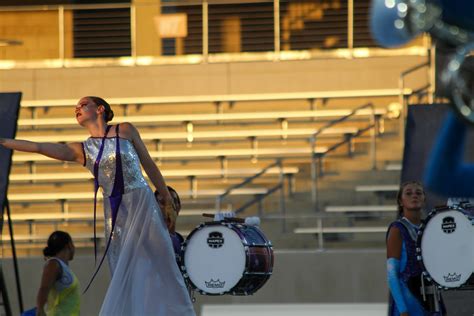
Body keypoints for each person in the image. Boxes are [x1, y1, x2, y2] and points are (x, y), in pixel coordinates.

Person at [0, 96, 195, 315]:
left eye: (83, 105)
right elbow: (39, 147)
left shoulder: (126, 130)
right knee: (125, 269)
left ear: (100, 109)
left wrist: (167, 199)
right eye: (75, 107)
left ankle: (179, 311)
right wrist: (5, 142)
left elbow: (148, 163)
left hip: (141, 201)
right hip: (116, 212)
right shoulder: (82, 149)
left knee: (162, 259)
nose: (77, 109)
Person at [386, 181, 445, 316]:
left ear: (424, 199)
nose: (414, 196)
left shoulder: (429, 227)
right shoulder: (397, 229)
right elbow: (392, 275)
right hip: (409, 302)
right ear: (401, 202)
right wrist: (403, 310)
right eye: (408, 193)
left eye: (419, 193)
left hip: (432, 299)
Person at [36, 231, 80, 316]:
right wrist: (40, 309)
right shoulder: (53, 264)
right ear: (69, 245)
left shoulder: (63, 267)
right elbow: (44, 288)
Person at [155, 186, 185, 264]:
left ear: (179, 207)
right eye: (162, 202)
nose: (170, 207)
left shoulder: (182, 241)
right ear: (155, 207)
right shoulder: (150, 241)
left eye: (174, 201)